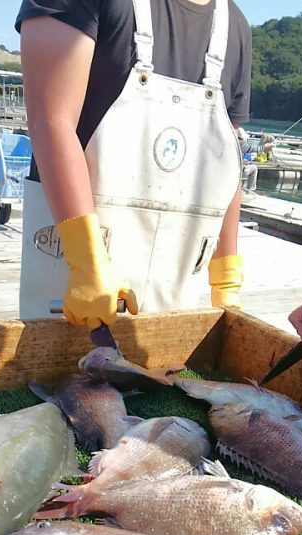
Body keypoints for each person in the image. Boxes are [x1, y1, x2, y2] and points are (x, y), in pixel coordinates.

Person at [16, 0, 252, 326]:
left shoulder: (234, 28)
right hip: (73, 276)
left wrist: (226, 280)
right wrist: (86, 261)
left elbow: (225, 164)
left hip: (177, 289)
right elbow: (50, 120)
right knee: (68, 375)